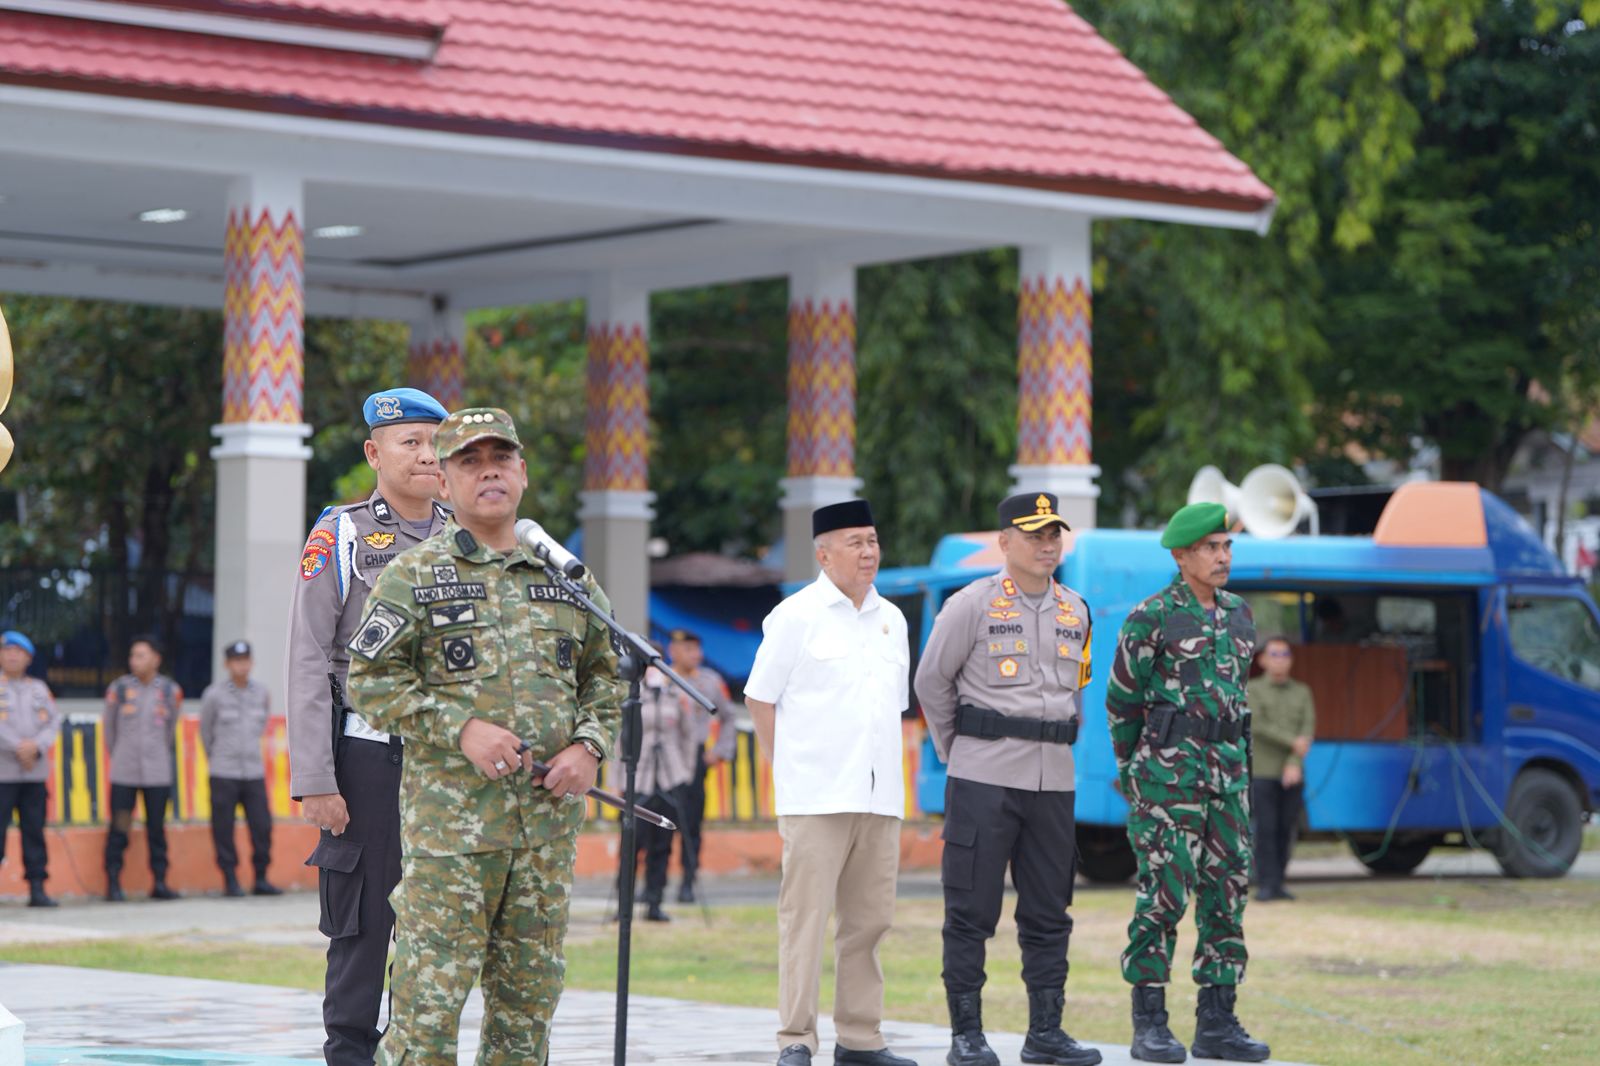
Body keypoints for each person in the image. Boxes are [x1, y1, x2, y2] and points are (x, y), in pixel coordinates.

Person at [346, 407, 622, 1065]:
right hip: (453, 838)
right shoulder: (414, 575)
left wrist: (588, 747)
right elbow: (368, 682)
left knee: (525, 1018)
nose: (488, 471)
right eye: (469, 461)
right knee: (427, 1017)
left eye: (501, 458)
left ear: (522, 472)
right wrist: (460, 729)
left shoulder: (567, 578)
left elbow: (607, 676)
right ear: (444, 482)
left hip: (544, 834)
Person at [284, 386, 450, 1066]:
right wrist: (315, 778)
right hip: (369, 762)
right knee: (362, 930)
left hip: (449, 765)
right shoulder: (343, 534)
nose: (428, 455)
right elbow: (308, 656)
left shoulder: (466, 536)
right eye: (411, 442)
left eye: (436, 443)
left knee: (439, 930)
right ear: (374, 453)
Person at [915, 492, 1101, 1066]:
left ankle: (1046, 1032)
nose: (1047, 545)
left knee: (1049, 912)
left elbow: (1077, 694)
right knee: (970, 911)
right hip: (984, 778)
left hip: (1054, 782)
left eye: (1054, 535)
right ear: (1004, 542)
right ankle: (966, 1036)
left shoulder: (1076, 609)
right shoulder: (971, 605)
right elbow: (930, 683)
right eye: (1034, 535)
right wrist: (962, 751)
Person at [745, 499, 917, 1066]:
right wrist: (788, 769)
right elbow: (760, 698)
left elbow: (891, 709)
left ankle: (860, 1038)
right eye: (855, 542)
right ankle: (796, 1038)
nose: (869, 552)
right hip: (816, 797)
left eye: (873, 540)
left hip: (879, 797)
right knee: (805, 922)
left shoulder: (893, 620)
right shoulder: (795, 616)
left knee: (869, 924)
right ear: (823, 555)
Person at [1106, 502, 1269, 1063]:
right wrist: (1135, 774)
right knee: (1164, 895)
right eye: (1210, 548)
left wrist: (1237, 771)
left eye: (1226, 547)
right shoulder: (1151, 616)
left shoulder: (1241, 615)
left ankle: (1217, 1022)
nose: (1222, 557)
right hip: (1166, 783)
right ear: (1181, 556)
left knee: (1227, 894)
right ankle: (1149, 1022)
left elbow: (1236, 698)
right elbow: (1122, 702)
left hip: (1228, 779)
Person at [102, 634, 183, 902]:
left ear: (156, 659)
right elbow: (109, 730)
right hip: (124, 773)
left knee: (156, 829)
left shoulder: (170, 690)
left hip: (157, 774)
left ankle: (159, 882)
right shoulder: (119, 688)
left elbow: (169, 731)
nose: (134, 661)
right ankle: (114, 882)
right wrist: (121, 755)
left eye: (140, 655)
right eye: (132, 655)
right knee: (120, 827)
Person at [199, 639, 279, 897]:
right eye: (236, 661)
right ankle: (230, 879)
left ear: (251, 662)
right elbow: (206, 733)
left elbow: (261, 726)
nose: (241, 666)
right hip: (223, 772)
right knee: (223, 828)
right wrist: (217, 757)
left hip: (253, 771)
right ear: (227, 664)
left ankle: (261, 878)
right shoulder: (214, 695)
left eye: (245, 660)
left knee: (262, 826)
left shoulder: (261, 693)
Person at [619, 660, 696, 922]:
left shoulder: (676, 695)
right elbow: (621, 737)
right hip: (638, 776)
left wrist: (686, 771)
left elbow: (689, 735)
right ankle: (624, 905)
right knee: (632, 843)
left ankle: (655, 902)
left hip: (669, 776)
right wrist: (618, 780)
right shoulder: (632, 694)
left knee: (663, 844)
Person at [667, 627, 737, 903]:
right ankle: (652, 885)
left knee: (691, 824)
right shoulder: (661, 677)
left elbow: (729, 717)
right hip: (665, 758)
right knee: (655, 822)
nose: (695, 655)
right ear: (673, 651)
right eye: (688, 649)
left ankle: (688, 881)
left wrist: (719, 752)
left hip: (695, 758)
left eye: (697, 649)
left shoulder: (709, 681)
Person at [1246, 636, 1315, 902]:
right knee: (1265, 829)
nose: (1280, 660)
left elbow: (1307, 727)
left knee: (1286, 829)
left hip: (1292, 772)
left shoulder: (1302, 691)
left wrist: (1294, 762)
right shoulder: (1253, 689)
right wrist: (1293, 742)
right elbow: (1257, 725)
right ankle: (1266, 883)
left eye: (1285, 655)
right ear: (1263, 660)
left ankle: (1279, 882)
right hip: (1263, 772)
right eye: (1274, 654)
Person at [0, 630, 61, 907]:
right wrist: (19, 747)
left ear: (29, 658)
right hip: (3, 773)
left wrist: (35, 747)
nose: (12, 656)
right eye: (7, 650)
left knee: (34, 831)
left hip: (33, 774)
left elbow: (53, 724)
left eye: (18, 651)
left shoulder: (39, 689)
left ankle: (37, 887)